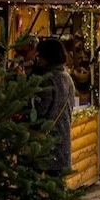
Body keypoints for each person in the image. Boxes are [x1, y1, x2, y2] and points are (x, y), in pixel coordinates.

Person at [33, 37, 75, 172]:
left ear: (47, 57)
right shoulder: (67, 78)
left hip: (47, 144)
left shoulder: (47, 79)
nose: (38, 60)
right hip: (63, 139)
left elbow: (41, 110)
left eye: (40, 56)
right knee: (58, 183)